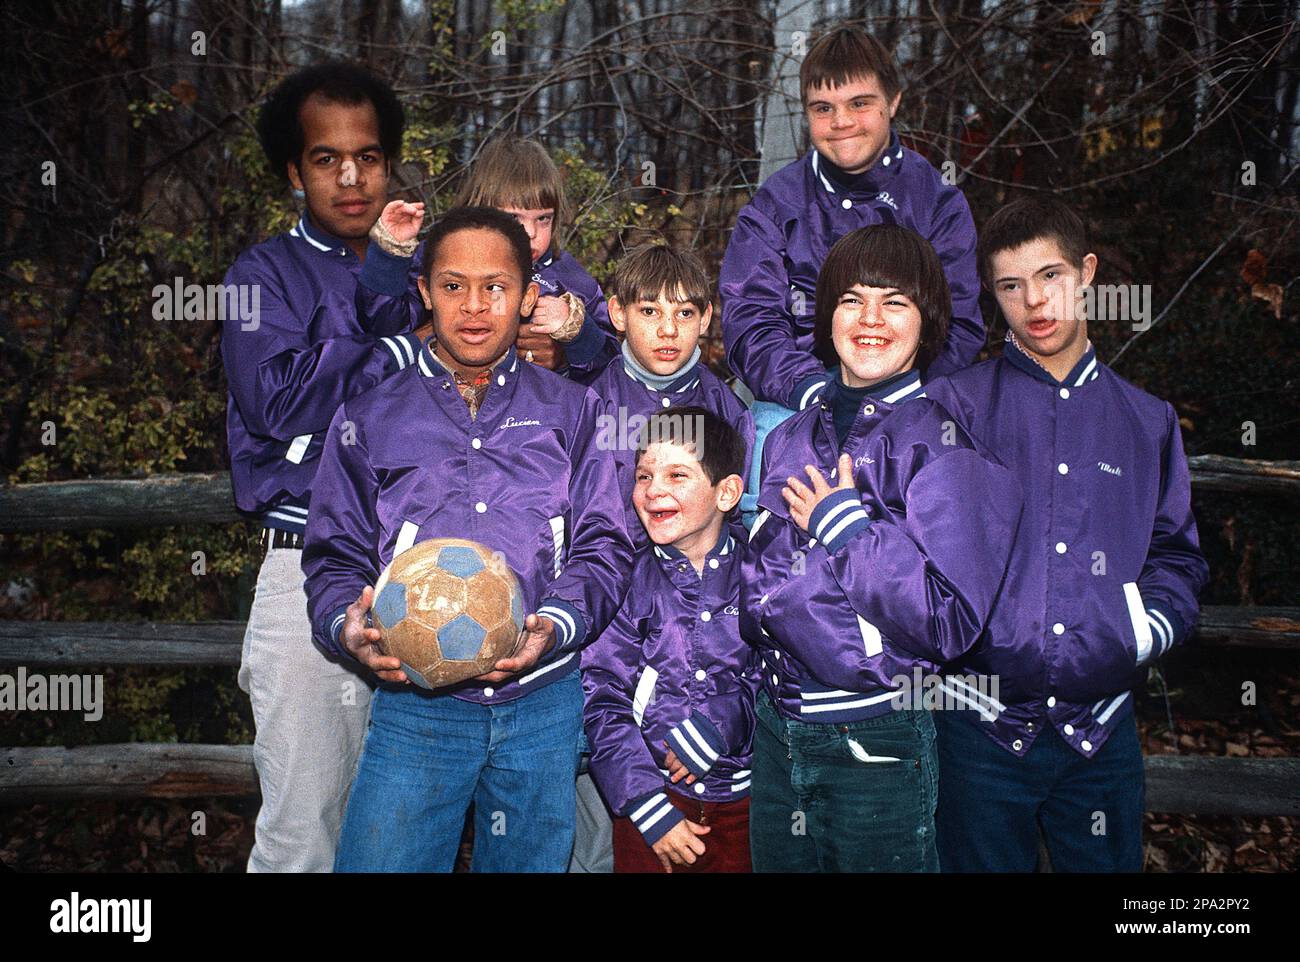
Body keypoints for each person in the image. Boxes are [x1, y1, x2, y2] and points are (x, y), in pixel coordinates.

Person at [302, 206, 632, 872]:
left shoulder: (575, 411)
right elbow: (334, 555)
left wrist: (556, 626)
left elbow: (604, 545)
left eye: (496, 286)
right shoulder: (368, 416)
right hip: (417, 708)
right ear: (423, 290)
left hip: (542, 701)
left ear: (528, 295)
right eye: (453, 286)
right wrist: (349, 627)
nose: (475, 305)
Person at [924, 198, 1209, 872]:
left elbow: (1177, 555)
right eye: (1011, 285)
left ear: (1086, 273)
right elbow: (918, 550)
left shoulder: (1146, 420)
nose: (1034, 301)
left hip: (1101, 731)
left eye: (1049, 275)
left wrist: (1137, 632)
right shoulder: (955, 407)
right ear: (993, 297)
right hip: (978, 727)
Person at [741, 224, 1022, 872]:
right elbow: (767, 591)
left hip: (877, 738)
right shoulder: (788, 438)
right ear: (826, 315)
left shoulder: (943, 443)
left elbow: (950, 619)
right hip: (779, 729)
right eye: (851, 298)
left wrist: (848, 532)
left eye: (894, 302)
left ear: (927, 323)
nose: (870, 318)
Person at [220, 61, 427, 873]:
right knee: (305, 829)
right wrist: (396, 353)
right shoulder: (256, 277)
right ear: (292, 170)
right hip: (304, 562)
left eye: (369, 156)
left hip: (422, 570)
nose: (350, 177)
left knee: (402, 837)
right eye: (325, 159)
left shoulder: (428, 266)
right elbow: (273, 402)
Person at [719, 26, 984, 522]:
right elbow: (750, 320)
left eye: (860, 103)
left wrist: (900, 399)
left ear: (894, 100)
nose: (842, 122)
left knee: (936, 478)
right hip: (795, 394)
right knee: (763, 446)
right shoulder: (776, 204)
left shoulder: (937, 202)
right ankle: (756, 578)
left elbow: (961, 325)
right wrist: (814, 393)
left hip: (909, 392)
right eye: (823, 108)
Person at [583, 408, 759, 873]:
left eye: (677, 474)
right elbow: (601, 696)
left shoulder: (762, 574)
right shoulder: (628, 581)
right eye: (644, 475)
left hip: (748, 806)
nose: (654, 489)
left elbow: (782, 675)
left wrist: (724, 719)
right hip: (655, 804)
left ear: (727, 493)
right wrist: (646, 805)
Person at [589, 242, 754, 550]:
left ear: (705, 319)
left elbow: (735, 524)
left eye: (685, 313)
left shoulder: (729, 412)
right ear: (618, 314)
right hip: (609, 582)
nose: (669, 329)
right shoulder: (590, 406)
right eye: (650, 311)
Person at [456, 134, 617, 382]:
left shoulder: (571, 281)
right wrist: (390, 261)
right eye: (513, 219)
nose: (530, 233)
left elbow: (611, 368)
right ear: (479, 208)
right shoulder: (444, 260)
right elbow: (388, 327)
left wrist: (572, 341)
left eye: (543, 219)